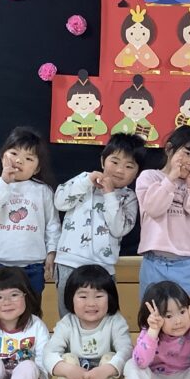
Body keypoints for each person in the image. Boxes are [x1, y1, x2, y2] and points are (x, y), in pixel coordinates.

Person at [54, 133, 145, 317]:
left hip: (103, 267)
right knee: (68, 316)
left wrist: (110, 195)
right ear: (103, 161)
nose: (120, 170)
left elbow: (119, 229)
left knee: (101, 317)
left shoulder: (129, 198)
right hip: (69, 262)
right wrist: (85, 182)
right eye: (115, 162)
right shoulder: (84, 180)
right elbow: (60, 202)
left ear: (137, 172)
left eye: (129, 166)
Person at [44, 265, 132, 379]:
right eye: (83, 296)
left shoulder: (115, 321)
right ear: (70, 298)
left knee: (110, 357)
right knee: (67, 358)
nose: (91, 303)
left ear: (110, 298)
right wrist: (68, 370)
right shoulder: (67, 323)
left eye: (99, 296)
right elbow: (48, 354)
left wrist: (106, 369)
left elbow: (126, 350)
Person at [0, 126, 61, 302]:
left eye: (29, 158)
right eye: (14, 153)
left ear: (36, 168)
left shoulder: (43, 191)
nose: (19, 161)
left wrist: (52, 252)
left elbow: (52, 224)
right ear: (3, 157)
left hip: (32, 266)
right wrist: (4, 182)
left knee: (31, 309)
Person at [136, 126, 190, 304]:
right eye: (187, 153)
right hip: (155, 263)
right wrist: (170, 179)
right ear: (169, 148)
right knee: (153, 315)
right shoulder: (149, 177)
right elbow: (154, 209)